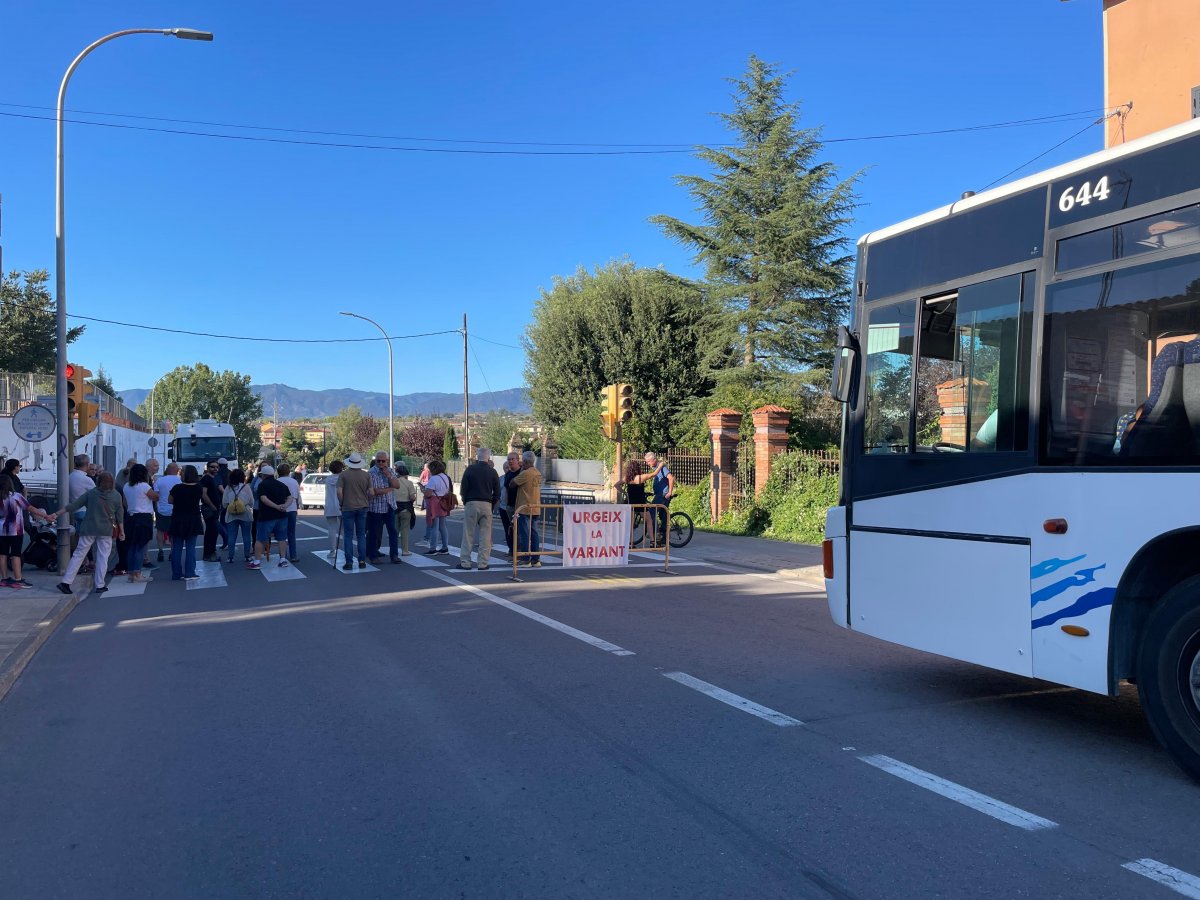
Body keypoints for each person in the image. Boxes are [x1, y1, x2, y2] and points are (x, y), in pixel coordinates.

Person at [54, 472, 122, 595]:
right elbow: (119, 515)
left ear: (98, 481)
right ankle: (100, 585)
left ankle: (66, 582)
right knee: (103, 557)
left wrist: (56, 514)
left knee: (79, 555)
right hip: (106, 530)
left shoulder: (91, 494)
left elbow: (73, 506)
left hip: (89, 529)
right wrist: (121, 531)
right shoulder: (116, 496)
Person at [0, 474, 54, 589]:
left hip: (1, 530)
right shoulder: (16, 496)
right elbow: (31, 508)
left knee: (3, 554)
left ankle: (4, 579)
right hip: (15, 530)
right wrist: (46, 516)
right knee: (15, 554)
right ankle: (18, 579)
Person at [458, 447, 500, 570]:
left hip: (471, 502)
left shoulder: (470, 470)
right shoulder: (493, 472)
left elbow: (463, 489)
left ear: (477, 456)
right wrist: (491, 504)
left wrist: (465, 501)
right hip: (487, 504)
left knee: (468, 534)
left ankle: (465, 562)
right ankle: (483, 563)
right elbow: (497, 492)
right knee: (485, 535)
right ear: (489, 457)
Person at [167, 465, 208, 581]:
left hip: (178, 518)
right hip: (193, 519)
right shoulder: (198, 488)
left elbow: (170, 500)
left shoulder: (177, 488)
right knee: (191, 548)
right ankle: (190, 572)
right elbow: (203, 498)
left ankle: (176, 573)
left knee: (176, 548)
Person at [248, 465, 291, 570]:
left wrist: (275, 506)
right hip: (282, 515)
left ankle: (257, 561)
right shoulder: (282, 485)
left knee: (261, 539)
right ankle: (283, 560)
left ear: (263, 475)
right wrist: (284, 506)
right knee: (282, 538)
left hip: (267, 516)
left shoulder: (262, 485)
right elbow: (290, 497)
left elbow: (263, 498)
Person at [122, 463, 158, 582]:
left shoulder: (126, 486)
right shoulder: (144, 486)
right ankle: (137, 573)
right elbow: (155, 497)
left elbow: (125, 502)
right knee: (140, 547)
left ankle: (131, 573)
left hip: (130, 517)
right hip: (143, 517)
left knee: (132, 546)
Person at [336, 452, 371, 570]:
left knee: (348, 535)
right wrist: (367, 501)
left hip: (348, 507)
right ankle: (362, 561)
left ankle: (349, 562)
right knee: (361, 535)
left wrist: (341, 502)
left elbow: (339, 492)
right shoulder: (366, 475)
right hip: (362, 507)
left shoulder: (343, 475)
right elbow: (371, 492)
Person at [366, 450, 401, 564]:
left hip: (389, 505)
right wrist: (389, 489)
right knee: (374, 533)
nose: (381, 463)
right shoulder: (371, 473)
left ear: (387, 461)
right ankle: (373, 555)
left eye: (383, 461)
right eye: (378, 461)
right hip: (375, 507)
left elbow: (397, 485)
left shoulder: (390, 471)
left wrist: (388, 476)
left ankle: (394, 555)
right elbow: (375, 491)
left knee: (393, 532)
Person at [511, 451, 543, 567]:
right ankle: (536, 559)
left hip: (524, 507)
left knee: (525, 534)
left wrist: (520, 470)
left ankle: (525, 559)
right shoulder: (537, 473)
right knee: (534, 534)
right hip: (536, 507)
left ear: (525, 461)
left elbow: (512, 483)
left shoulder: (525, 473)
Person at [222, 468, 254, 563]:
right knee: (246, 536)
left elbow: (224, 503)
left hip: (231, 514)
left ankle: (230, 557)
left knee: (232, 536)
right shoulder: (246, 487)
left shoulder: (228, 488)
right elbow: (251, 502)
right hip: (245, 514)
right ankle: (247, 556)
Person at [422, 459, 452, 555]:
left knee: (434, 526)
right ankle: (445, 547)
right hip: (443, 501)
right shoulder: (445, 477)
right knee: (443, 526)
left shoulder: (433, 479)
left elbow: (428, 493)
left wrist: (423, 491)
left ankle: (433, 548)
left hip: (434, 502)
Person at [644, 452, 675, 544]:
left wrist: (669, 492)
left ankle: (655, 533)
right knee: (662, 515)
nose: (647, 463)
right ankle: (664, 536)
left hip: (663, 494)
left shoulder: (662, 467)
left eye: (648, 461)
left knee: (651, 511)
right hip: (659, 494)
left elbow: (670, 478)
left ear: (654, 459)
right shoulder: (656, 467)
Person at [154, 462, 181, 563]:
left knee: (160, 530)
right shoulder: (180, 480)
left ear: (167, 469)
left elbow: (156, 495)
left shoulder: (160, 480)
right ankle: (172, 551)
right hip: (176, 509)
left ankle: (160, 550)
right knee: (173, 533)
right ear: (177, 470)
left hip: (162, 509)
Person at [277, 462, 300, 562]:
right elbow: (297, 495)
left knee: (281, 534)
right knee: (291, 533)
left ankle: (283, 555)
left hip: (280, 508)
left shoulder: (277, 481)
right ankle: (293, 555)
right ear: (288, 471)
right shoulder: (294, 481)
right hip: (292, 508)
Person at [393, 461, 417, 557]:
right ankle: (405, 550)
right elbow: (412, 497)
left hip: (394, 508)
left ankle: (393, 550)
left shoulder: (393, 482)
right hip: (406, 509)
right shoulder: (409, 483)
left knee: (394, 531)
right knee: (405, 531)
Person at [498, 452, 520, 555]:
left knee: (519, 531)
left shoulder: (522, 472)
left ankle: (520, 552)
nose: (510, 462)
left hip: (520, 507)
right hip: (507, 506)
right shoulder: (505, 477)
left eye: (512, 459)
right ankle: (512, 550)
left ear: (517, 460)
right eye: (508, 460)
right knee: (509, 529)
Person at [323, 460, 344, 560]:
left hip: (330, 505)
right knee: (345, 530)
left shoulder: (328, 479)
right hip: (342, 505)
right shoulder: (343, 479)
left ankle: (332, 550)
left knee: (331, 529)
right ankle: (346, 548)